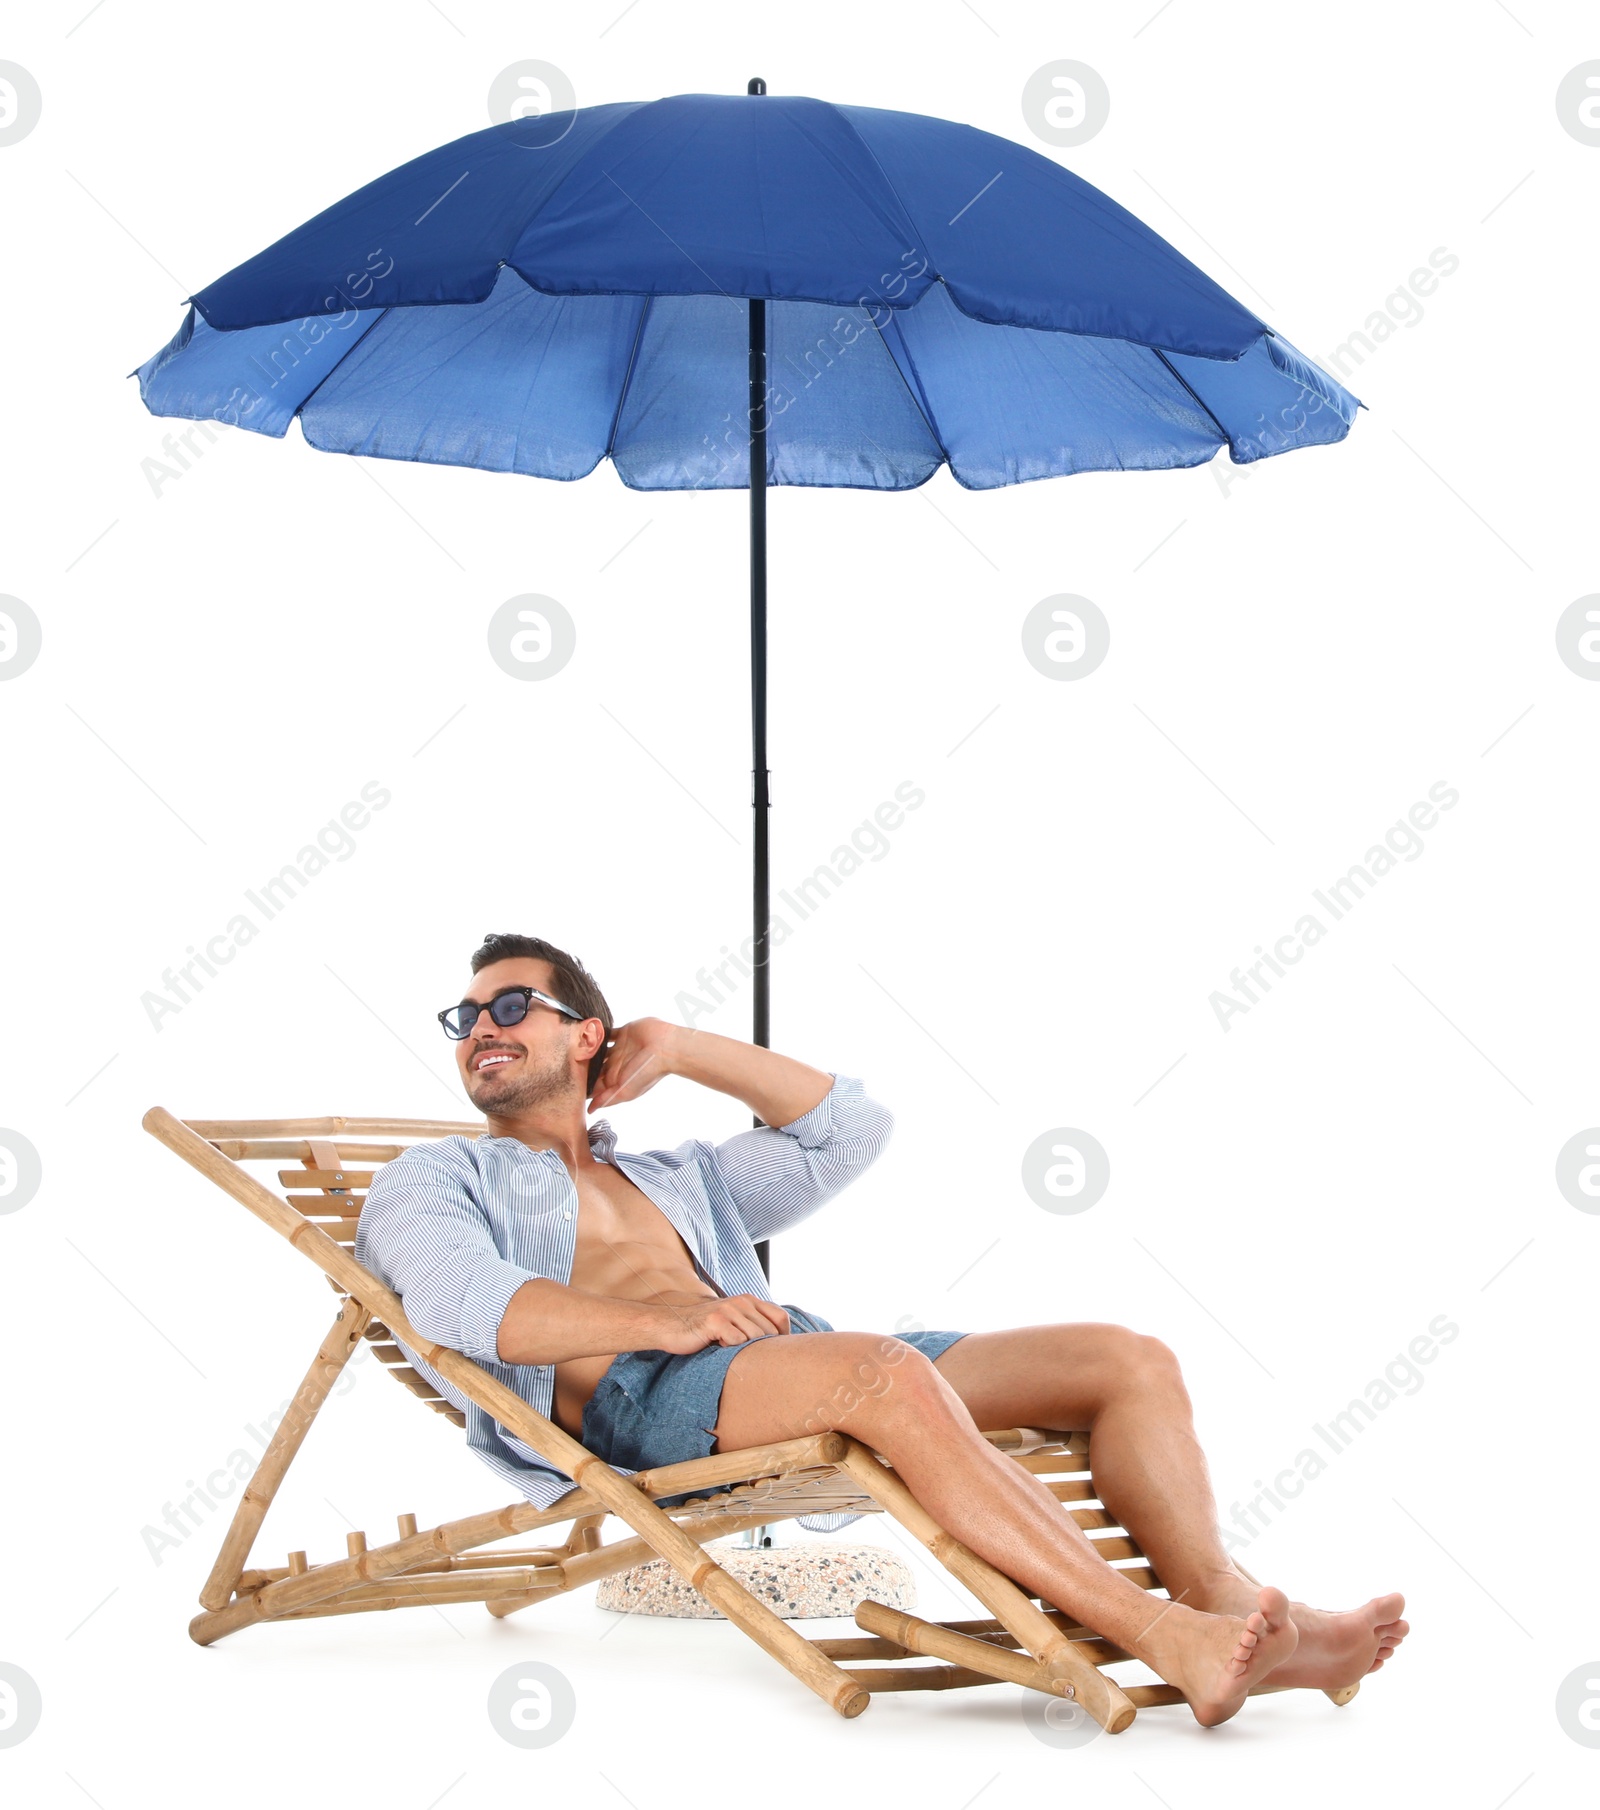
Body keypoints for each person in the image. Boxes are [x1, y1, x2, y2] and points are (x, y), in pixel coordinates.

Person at [357, 932, 1406, 1726]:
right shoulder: (437, 1178)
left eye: (511, 1004)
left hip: (780, 1359)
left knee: (1124, 1357)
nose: (481, 1027)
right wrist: (662, 1318)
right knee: (880, 1371)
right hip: (642, 1403)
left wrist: (678, 1045)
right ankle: (1160, 1633)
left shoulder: (676, 1176)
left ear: (587, 1036)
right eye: (465, 1017)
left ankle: (1223, 1601)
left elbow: (846, 1129)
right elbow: (462, 1308)